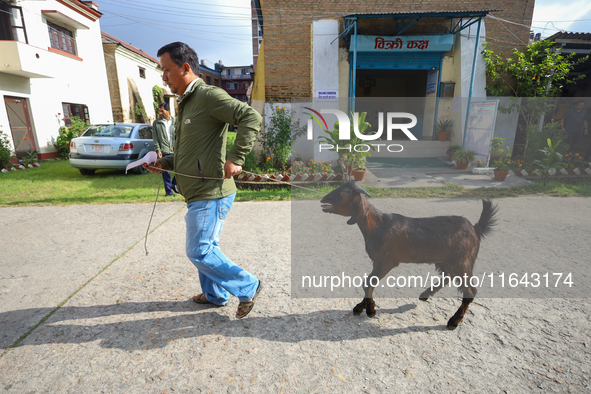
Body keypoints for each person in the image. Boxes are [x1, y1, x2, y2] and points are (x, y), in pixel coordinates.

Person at [144, 42, 262, 318]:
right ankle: (215, 294)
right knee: (208, 247)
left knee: (199, 250)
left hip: (212, 190)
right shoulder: (186, 103)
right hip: (197, 190)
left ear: (185, 68)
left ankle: (248, 285)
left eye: (166, 70)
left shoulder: (208, 96)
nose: (163, 77)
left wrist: (237, 158)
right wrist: (164, 163)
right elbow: (189, 151)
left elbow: (250, 116)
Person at [152, 102, 178, 196]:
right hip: (164, 151)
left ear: (168, 111)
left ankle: (174, 184)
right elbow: (155, 138)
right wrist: (158, 149)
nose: (160, 113)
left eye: (162, 111)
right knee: (165, 172)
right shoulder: (156, 123)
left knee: (179, 169)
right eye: (159, 111)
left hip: (176, 150)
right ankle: (169, 192)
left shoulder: (176, 122)